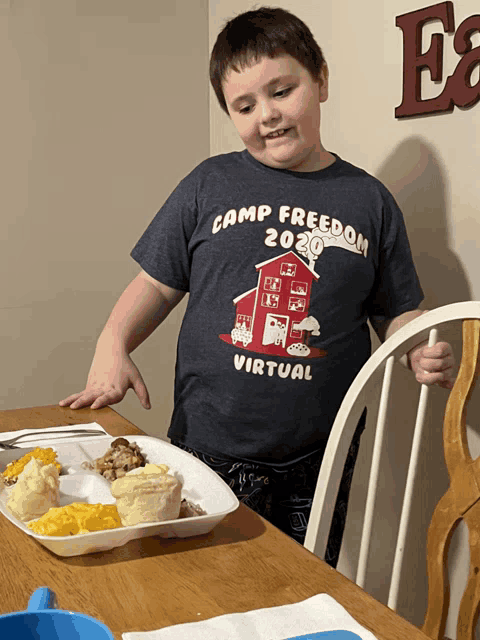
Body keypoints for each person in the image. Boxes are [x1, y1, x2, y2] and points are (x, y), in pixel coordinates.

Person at [59, 7, 454, 566]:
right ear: (230, 113)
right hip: (209, 444)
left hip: (320, 455)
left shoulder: (369, 202)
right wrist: (112, 342)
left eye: (282, 91)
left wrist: (416, 345)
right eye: (245, 106)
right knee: (202, 579)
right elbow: (157, 282)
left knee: (297, 579)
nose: (267, 115)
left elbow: (394, 309)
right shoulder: (209, 184)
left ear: (319, 80)